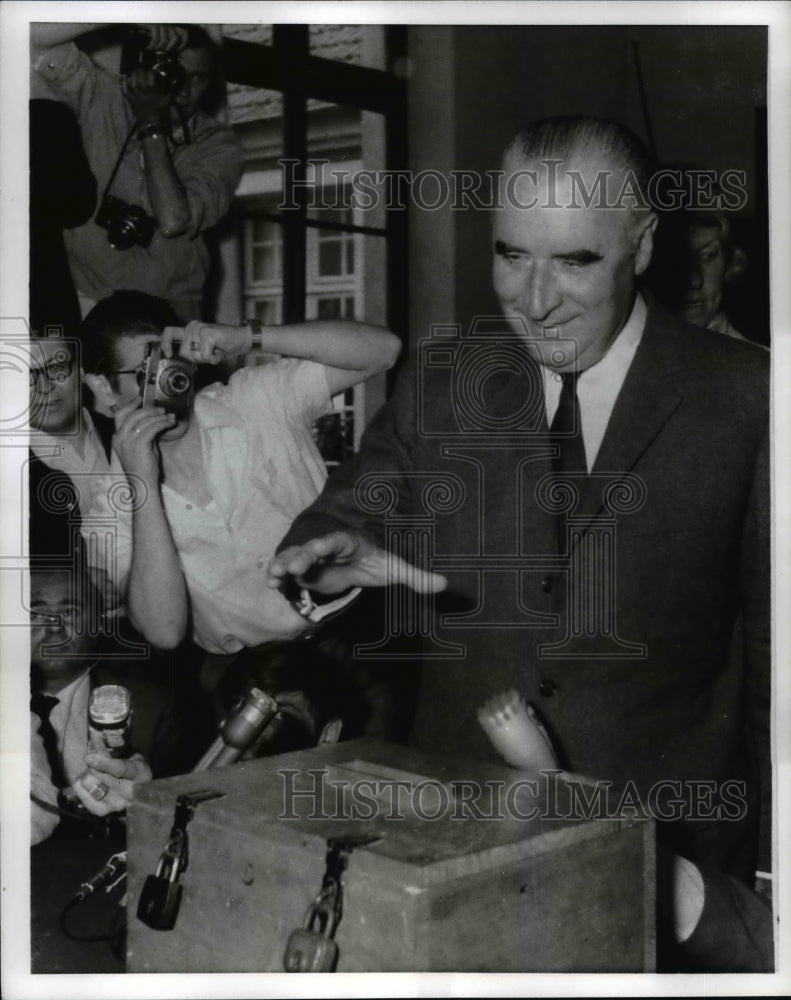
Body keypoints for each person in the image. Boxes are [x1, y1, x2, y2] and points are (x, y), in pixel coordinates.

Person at [267, 117, 771, 970]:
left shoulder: (750, 398)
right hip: (458, 840)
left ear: (642, 245)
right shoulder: (442, 380)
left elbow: (774, 658)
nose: (534, 299)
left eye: (575, 260)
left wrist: (766, 872)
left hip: (664, 858)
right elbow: (346, 510)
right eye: (510, 255)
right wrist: (333, 552)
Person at [80, 290, 401, 659]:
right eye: (146, 374)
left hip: (361, 627)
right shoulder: (110, 505)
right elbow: (164, 632)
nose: (169, 385)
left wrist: (249, 337)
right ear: (103, 387)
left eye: (172, 366)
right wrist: (142, 483)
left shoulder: (254, 398)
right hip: (254, 672)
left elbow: (385, 350)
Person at [30, 22, 242, 321]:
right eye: (174, 73)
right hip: (92, 304)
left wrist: (150, 124)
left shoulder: (218, 144)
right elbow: (34, 40)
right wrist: (127, 15)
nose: (184, 91)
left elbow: (172, 220)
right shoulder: (102, 98)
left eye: (198, 78)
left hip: (174, 310)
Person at [29, 547, 196, 844]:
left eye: (69, 612)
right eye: (36, 613)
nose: (53, 627)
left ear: (101, 625)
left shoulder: (153, 709)